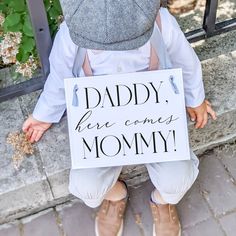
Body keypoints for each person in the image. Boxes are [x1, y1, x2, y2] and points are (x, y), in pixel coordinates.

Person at [22, 1, 217, 235]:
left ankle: (162, 201)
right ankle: (116, 195)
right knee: (87, 188)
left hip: (155, 118)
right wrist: (44, 115)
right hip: (102, 125)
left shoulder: (161, 21)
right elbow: (59, 77)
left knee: (177, 179)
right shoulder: (71, 33)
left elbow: (186, 62)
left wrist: (195, 98)